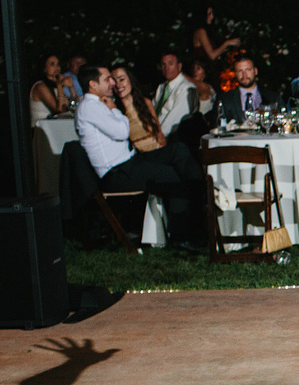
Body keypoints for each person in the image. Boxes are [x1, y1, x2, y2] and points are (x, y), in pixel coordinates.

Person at [75, 64, 204, 250]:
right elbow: (121, 131)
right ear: (92, 85)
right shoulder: (90, 106)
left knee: (178, 150)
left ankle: (199, 191)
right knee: (173, 177)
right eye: (106, 79)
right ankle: (181, 237)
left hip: (130, 162)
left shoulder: (97, 103)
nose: (112, 82)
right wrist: (113, 109)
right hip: (117, 173)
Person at [111, 64, 165, 152]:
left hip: (157, 150)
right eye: (114, 82)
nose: (118, 85)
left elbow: (159, 134)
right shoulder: (116, 111)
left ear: (130, 80)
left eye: (121, 79)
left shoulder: (146, 102)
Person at [152, 52, 197, 139]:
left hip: (170, 138)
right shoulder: (161, 87)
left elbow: (174, 119)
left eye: (170, 64)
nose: (166, 68)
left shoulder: (186, 88)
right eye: (163, 64)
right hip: (154, 133)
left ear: (179, 66)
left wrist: (158, 137)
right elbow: (152, 111)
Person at [30, 55, 71, 125]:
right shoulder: (40, 86)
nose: (57, 67)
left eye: (58, 64)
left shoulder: (56, 85)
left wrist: (71, 87)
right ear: (44, 68)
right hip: (41, 129)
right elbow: (60, 111)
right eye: (52, 64)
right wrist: (59, 85)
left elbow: (70, 106)